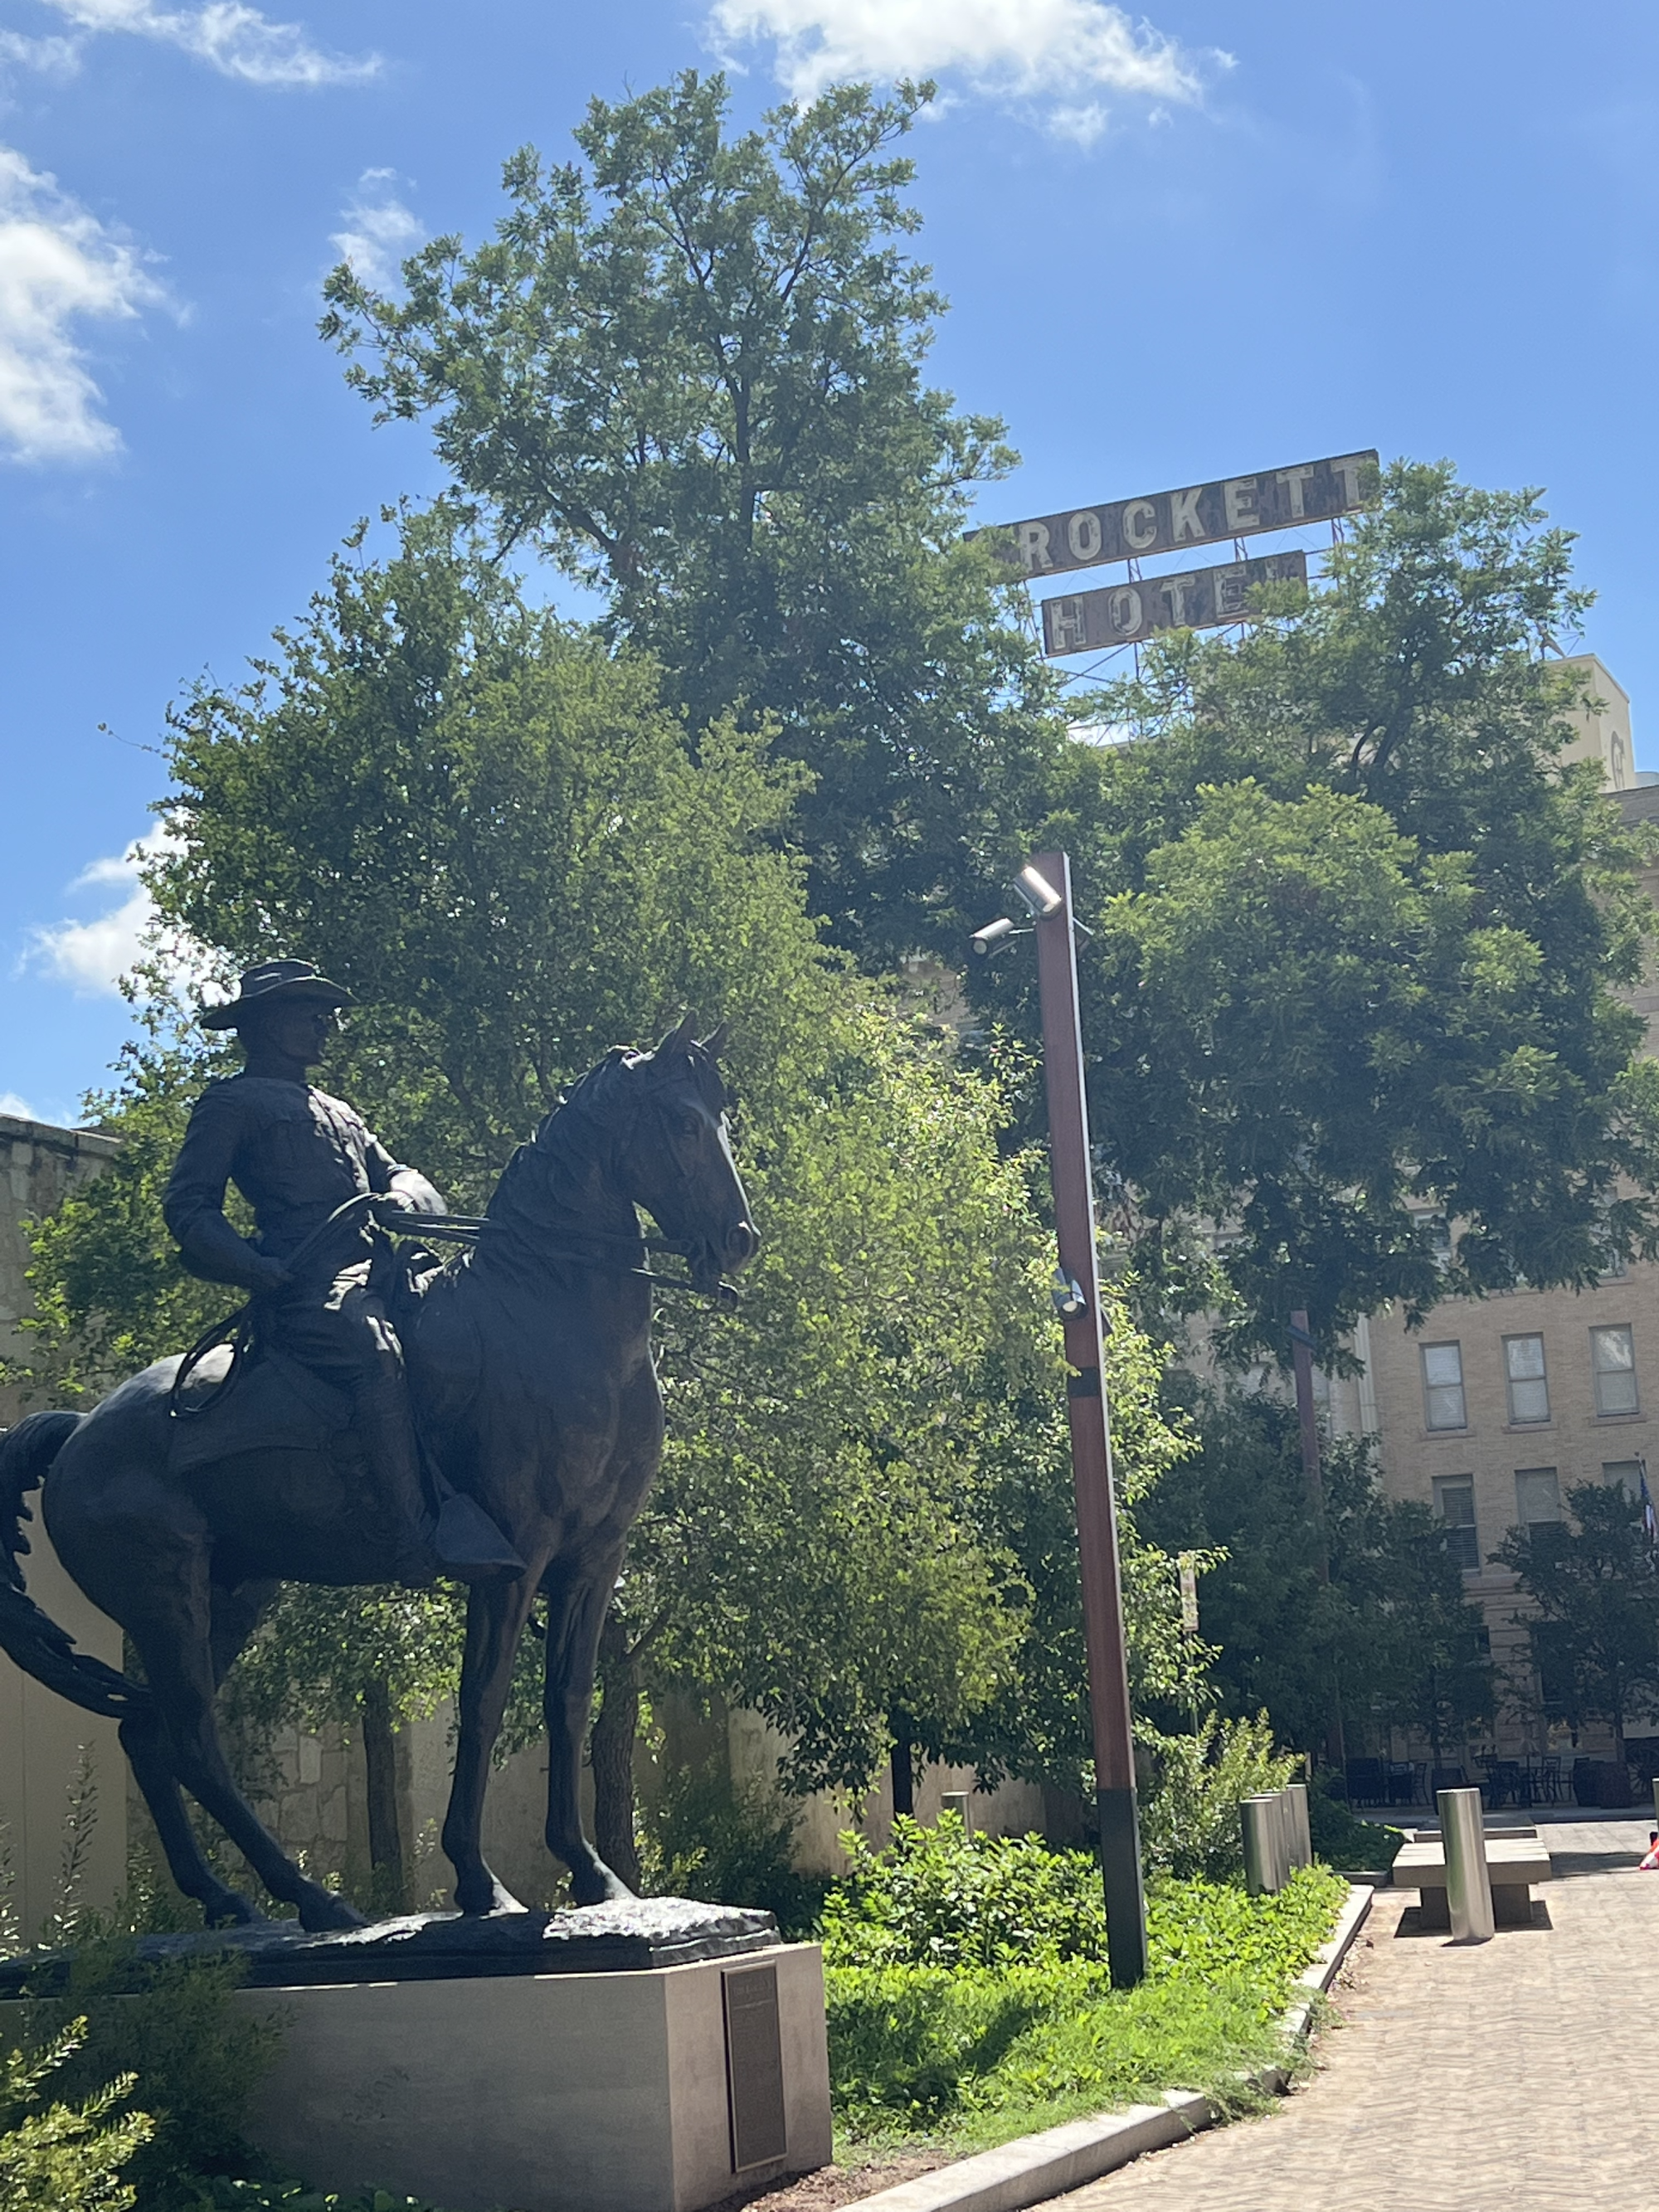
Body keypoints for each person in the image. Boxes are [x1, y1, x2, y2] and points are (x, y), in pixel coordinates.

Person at [163, 958, 523, 1584]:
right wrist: (253, 1265)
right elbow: (190, 1208)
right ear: (270, 1023)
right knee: (374, 1352)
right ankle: (413, 1536)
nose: (327, 1024)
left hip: (383, 1271)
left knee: (474, 1326)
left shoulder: (342, 1111)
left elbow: (402, 1173)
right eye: (312, 1012)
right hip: (307, 1283)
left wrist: (406, 1198)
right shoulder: (232, 1103)